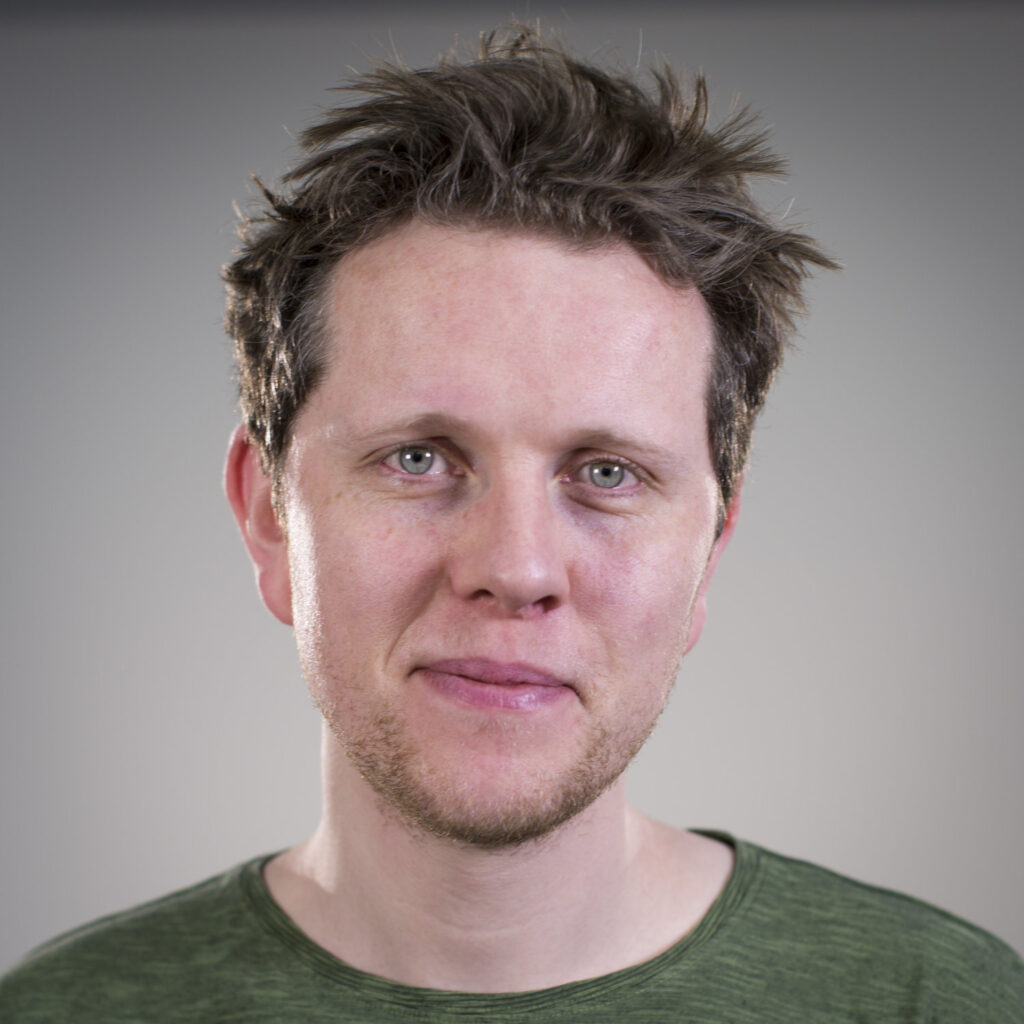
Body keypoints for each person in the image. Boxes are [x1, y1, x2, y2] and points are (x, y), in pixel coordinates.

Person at [2, 25, 1022, 1022]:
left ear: (710, 550)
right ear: (269, 515)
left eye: (608, 473)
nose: (516, 567)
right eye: (418, 458)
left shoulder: (943, 1003)